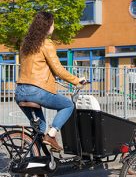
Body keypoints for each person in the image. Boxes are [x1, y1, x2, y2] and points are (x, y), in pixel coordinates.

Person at [15, 12, 86, 152]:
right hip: (36, 91)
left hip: (20, 92)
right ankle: (52, 135)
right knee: (68, 105)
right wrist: (77, 80)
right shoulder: (46, 43)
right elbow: (58, 69)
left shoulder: (25, 44)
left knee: (40, 129)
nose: (54, 26)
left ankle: (40, 165)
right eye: (53, 23)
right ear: (47, 25)